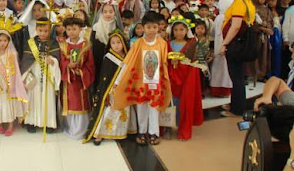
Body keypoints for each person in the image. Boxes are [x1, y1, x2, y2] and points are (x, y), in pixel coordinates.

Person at [113, 12, 172, 145]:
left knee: (154, 107)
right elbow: (128, 62)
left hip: (156, 82)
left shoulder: (162, 43)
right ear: (143, 27)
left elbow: (164, 63)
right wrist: (118, 81)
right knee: (141, 107)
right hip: (140, 82)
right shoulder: (138, 43)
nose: (152, 30)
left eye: (155, 27)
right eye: (149, 27)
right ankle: (142, 131)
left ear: (159, 28)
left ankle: (154, 132)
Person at [83, 31, 131, 145]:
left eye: (118, 42)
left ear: (123, 43)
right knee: (107, 111)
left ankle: (119, 133)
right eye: (113, 43)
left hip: (123, 90)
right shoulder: (109, 57)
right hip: (110, 90)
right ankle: (100, 133)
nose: (116, 45)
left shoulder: (128, 57)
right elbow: (104, 77)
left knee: (121, 112)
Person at [220, 0, 256, 117]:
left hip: (236, 43)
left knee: (236, 77)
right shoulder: (247, 0)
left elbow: (235, 26)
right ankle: (236, 104)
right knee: (238, 76)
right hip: (241, 42)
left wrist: (224, 43)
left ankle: (237, 109)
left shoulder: (240, 2)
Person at [0, 16, 28, 136]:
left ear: (9, 41)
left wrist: (14, 83)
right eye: (0, 40)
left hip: (9, 84)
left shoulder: (12, 53)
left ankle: (9, 125)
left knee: (8, 104)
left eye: (5, 40)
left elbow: (16, 71)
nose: (2, 43)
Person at [167, 15, 204, 141]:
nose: (178, 32)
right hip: (171, 79)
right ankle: (168, 126)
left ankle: (183, 129)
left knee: (184, 104)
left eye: (181, 29)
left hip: (186, 79)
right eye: (176, 29)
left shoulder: (190, 45)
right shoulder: (168, 44)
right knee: (170, 103)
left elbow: (194, 63)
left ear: (186, 30)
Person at [21, 17, 61, 133]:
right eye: (40, 30)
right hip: (35, 72)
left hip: (48, 74)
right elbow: (26, 60)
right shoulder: (31, 42)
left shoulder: (53, 42)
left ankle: (48, 123)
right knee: (33, 97)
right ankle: (31, 121)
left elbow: (57, 58)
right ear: (36, 29)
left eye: (46, 31)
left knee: (47, 97)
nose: (43, 33)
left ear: (50, 31)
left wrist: (53, 61)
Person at [59, 17, 95, 139]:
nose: (71, 32)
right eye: (69, 29)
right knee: (70, 103)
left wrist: (82, 71)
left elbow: (90, 64)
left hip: (81, 80)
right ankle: (69, 128)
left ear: (80, 29)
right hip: (69, 81)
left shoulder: (85, 44)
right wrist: (67, 65)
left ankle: (81, 129)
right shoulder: (64, 45)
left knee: (81, 103)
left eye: (74, 29)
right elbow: (62, 61)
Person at [91, 0, 123, 86]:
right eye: (105, 12)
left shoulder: (116, 26)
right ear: (101, 13)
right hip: (98, 56)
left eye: (111, 12)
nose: (108, 14)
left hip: (113, 57)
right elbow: (92, 45)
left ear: (114, 12)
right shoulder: (96, 27)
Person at [210, 0, 233, 97]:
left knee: (219, 68)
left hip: (219, 45)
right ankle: (225, 90)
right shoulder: (229, 18)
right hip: (227, 45)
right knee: (226, 68)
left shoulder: (219, 18)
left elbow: (213, 32)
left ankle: (217, 90)